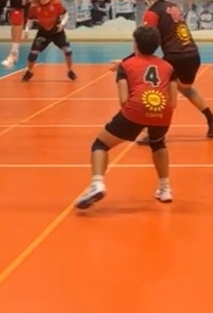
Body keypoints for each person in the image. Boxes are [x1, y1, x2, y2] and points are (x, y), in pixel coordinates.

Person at [74, 26, 180, 209]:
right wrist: (154, 112)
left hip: (135, 109)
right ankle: (165, 189)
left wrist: (136, 115)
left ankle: (97, 184)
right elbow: (174, 101)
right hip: (163, 111)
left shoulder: (126, 65)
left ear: (135, 45)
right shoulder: (169, 67)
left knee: (100, 144)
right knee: (158, 143)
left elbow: (124, 100)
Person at [137, 0, 213, 139]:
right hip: (192, 54)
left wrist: (135, 59)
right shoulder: (172, 6)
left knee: (157, 93)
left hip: (175, 56)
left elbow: (147, 40)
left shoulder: (152, 12)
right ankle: (212, 120)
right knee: (186, 89)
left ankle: (156, 132)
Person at [22, 0, 77, 82]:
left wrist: (62, 24)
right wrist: (26, 30)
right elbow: (30, 19)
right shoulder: (34, 5)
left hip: (57, 32)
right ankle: (29, 71)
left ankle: (70, 70)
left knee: (68, 51)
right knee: (32, 55)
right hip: (43, 33)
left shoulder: (55, 3)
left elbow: (66, 14)